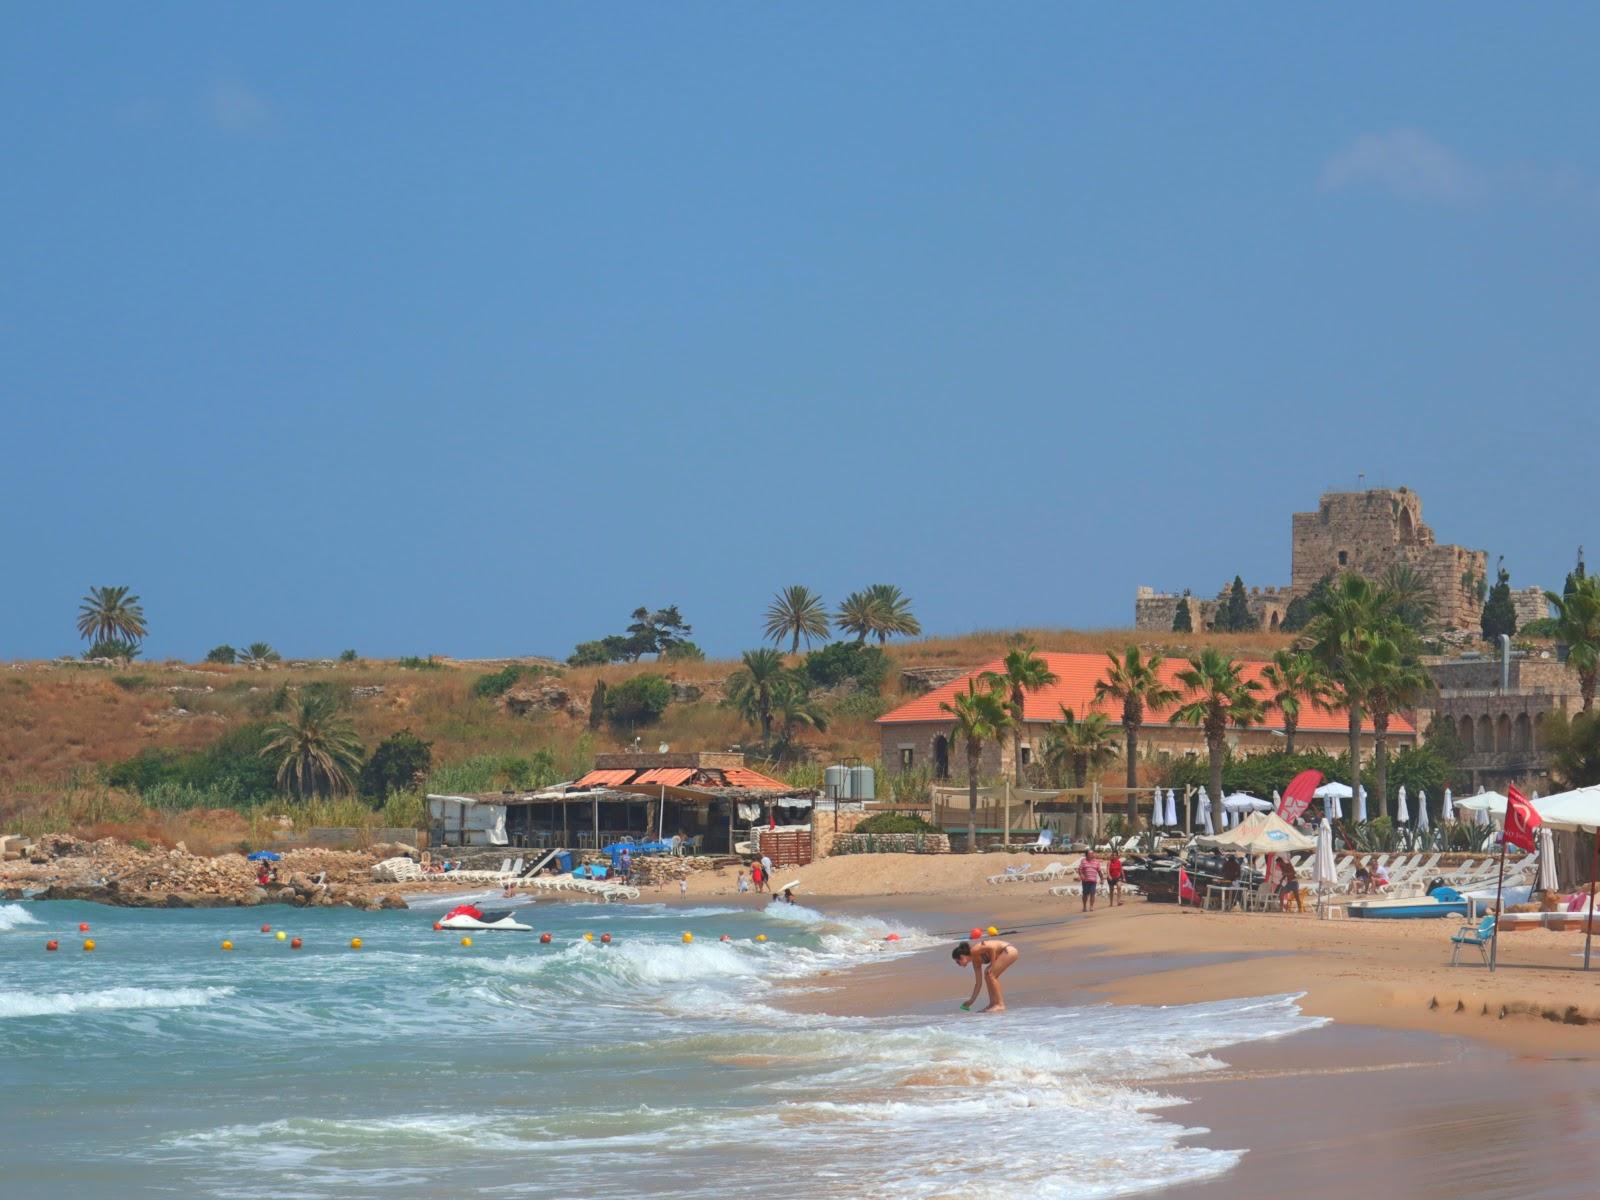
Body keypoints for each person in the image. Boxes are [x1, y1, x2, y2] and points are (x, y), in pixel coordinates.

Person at [952, 938, 1020, 1013]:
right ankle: (992, 1004)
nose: (958, 964)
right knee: (988, 974)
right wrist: (971, 1001)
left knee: (990, 974)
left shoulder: (974, 950)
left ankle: (1000, 1004)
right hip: (1005, 953)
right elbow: (978, 983)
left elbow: (991, 948)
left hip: (1008, 951)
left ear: (962, 956)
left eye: (958, 962)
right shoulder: (976, 962)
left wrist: (992, 965)